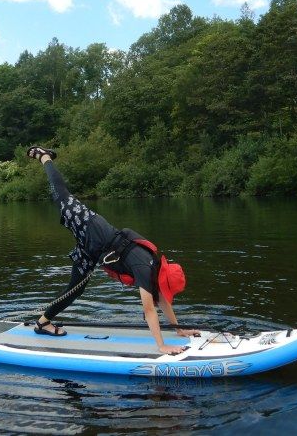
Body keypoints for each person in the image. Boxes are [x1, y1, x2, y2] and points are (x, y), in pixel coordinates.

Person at [26, 146, 197, 355]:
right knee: (62, 196)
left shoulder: (157, 268)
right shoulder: (145, 268)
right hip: (90, 227)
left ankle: (42, 323)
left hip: (93, 251)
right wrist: (161, 346)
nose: (163, 294)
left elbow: (162, 301)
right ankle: (44, 157)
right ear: (163, 280)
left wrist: (179, 330)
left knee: (76, 288)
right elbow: (150, 310)